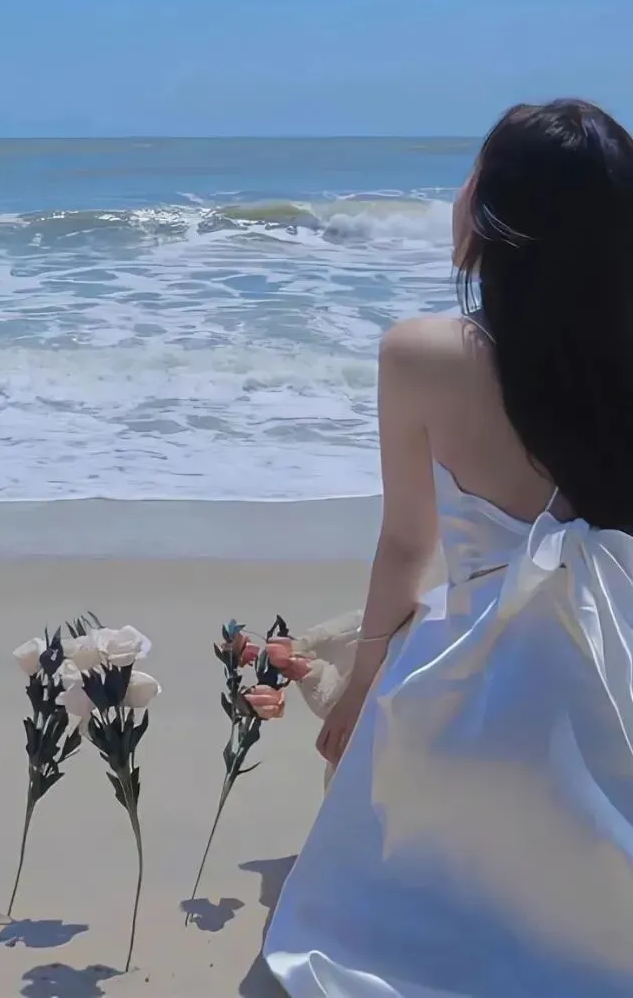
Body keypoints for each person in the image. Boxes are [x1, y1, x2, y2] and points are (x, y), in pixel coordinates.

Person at [252, 99, 633, 998]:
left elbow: (405, 545)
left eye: (473, 174)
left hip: (472, 703)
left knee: (383, 906)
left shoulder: (421, 354)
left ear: (495, 216)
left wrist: (361, 687)